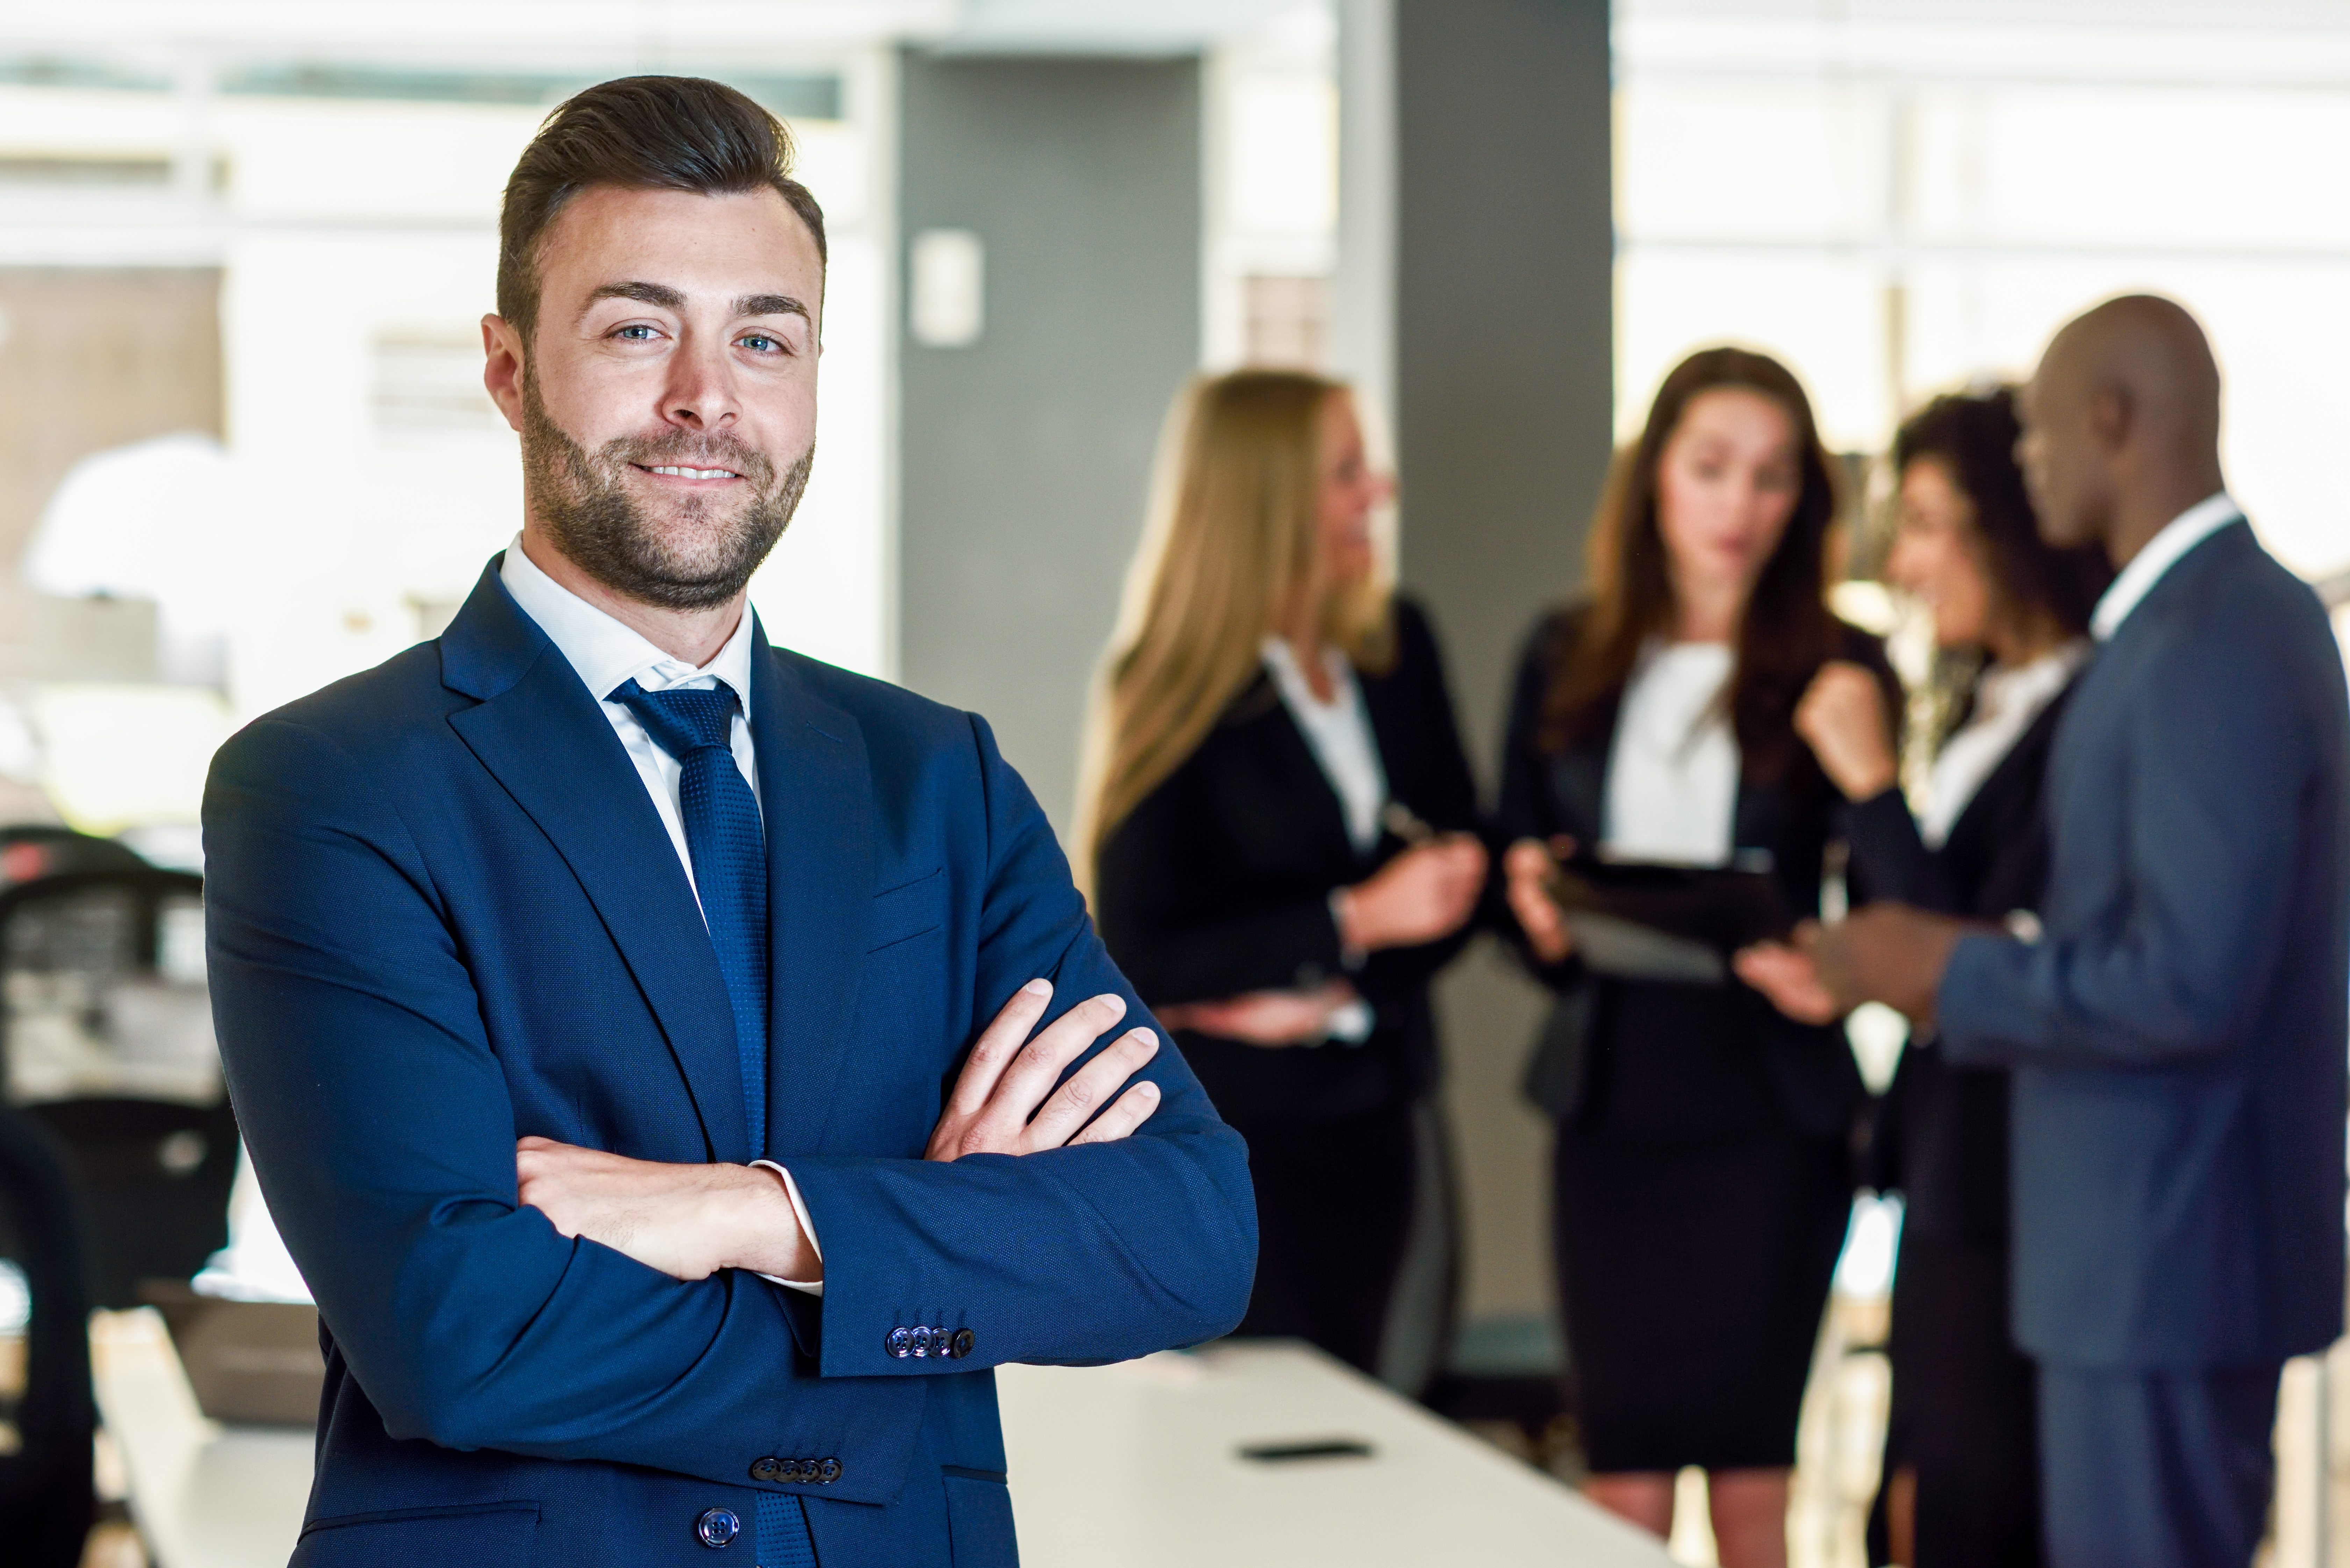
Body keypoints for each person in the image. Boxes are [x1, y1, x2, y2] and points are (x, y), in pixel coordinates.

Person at [202, 78, 1255, 1568]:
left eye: (765, 337)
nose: (708, 397)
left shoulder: (934, 781)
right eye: (637, 329)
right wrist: (922, 1282)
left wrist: (756, 1214)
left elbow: (1189, 1233)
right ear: (509, 370)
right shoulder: (331, 786)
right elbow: (458, 1332)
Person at [1779, 295, 2350, 1568]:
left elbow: (2187, 985)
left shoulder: (2212, 638)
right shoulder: (2182, 627)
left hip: (2167, 1253)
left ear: (2111, 423)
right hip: (2134, 1252)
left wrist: (1937, 966)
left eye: (2036, 436)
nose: (2028, 463)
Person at [1495, 346, 1892, 1567]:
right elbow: (1512, 864)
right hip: (1614, 1106)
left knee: (1754, 1489)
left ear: (1805, 501)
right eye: (1711, 468)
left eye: (1772, 478)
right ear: (1654, 477)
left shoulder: (1840, 666)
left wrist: (1830, 962)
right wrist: (1534, 910)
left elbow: (1892, 906)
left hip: (1768, 1114)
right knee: (1618, 1479)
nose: (1738, 507)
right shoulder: (1564, 656)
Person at [1743, 385, 2110, 1567]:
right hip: (1945, 1162)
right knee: (1907, 1504)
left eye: (1926, 525)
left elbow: (1969, 952)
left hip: (2020, 1177)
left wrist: (1866, 787)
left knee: (1960, 1507)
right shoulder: (1983, 699)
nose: (1898, 563)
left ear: (2010, 526)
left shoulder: (2090, 714)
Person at [1083, 370, 1484, 1384]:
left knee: (1385, 1415)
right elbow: (1134, 949)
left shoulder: (1397, 651)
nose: (1377, 495)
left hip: (1384, 1111)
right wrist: (1346, 921)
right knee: (1253, 1439)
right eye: (1347, 472)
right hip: (1233, 1137)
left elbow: (1453, 872)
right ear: (1269, 499)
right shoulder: (1168, 686)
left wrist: (1346, 971)